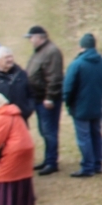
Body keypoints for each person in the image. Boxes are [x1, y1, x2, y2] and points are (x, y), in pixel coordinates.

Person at [62, 33, 102, 178]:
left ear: (81, 46)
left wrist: (68, 102)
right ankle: (97, 164)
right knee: (96, 134)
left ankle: (87, 166)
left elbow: (68, 87)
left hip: (81, 107)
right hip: (97, 105)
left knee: (84, 137)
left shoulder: (77, 64)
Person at [26, 26, 65, 175]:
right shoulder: (41, 51)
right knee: (44, 130)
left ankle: (51, 161)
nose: (30, 40)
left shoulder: (51, 52)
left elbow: (55, 78)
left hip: (46, 99)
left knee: (49, 131)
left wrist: (50, 97)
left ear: (39, 37)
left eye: (31, 37)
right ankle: (48, 159)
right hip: (38, 97)